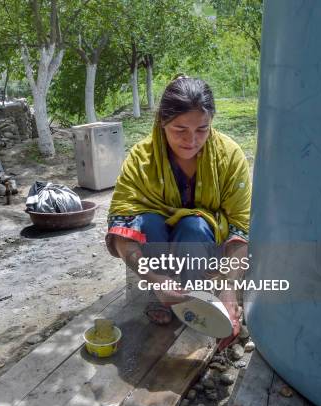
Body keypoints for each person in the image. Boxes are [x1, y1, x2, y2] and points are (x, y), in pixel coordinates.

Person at [106, 75, 251, 348]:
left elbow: (240, 228)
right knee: (146, 221)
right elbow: (120, 227)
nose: (191, 140)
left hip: (202, 246)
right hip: (155, 253)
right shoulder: (141, 159)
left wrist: (230, 287)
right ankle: (160, 294)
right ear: (162, 122)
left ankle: (197, 296)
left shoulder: (230, 157)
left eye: (202, 129)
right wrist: (153, 277)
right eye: (179, 129)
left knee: (193, 226)